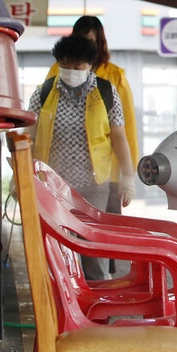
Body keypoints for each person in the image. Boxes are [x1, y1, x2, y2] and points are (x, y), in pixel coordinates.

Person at [28, 34, 136, 280]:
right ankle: (63, 304)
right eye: (65, 64)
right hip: (53, 185)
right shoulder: (43, 93)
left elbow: (119, 137)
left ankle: (96, 308)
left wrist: (128, 178)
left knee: (92, 249)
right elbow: (29, 139)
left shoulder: (106, 93)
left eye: (78, 65)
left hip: (93, 186)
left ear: (90, 65)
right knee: (57, 249)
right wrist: (22, 176)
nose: (71, 70)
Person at [46, 16, 139, 217]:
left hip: (106, 173)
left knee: (104, 227)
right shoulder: (56, 73)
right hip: (58, 173)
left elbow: (125, 130)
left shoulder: (115, 77)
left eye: (90, 40)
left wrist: (128, 174)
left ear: (99, 43)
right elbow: (42, 123)